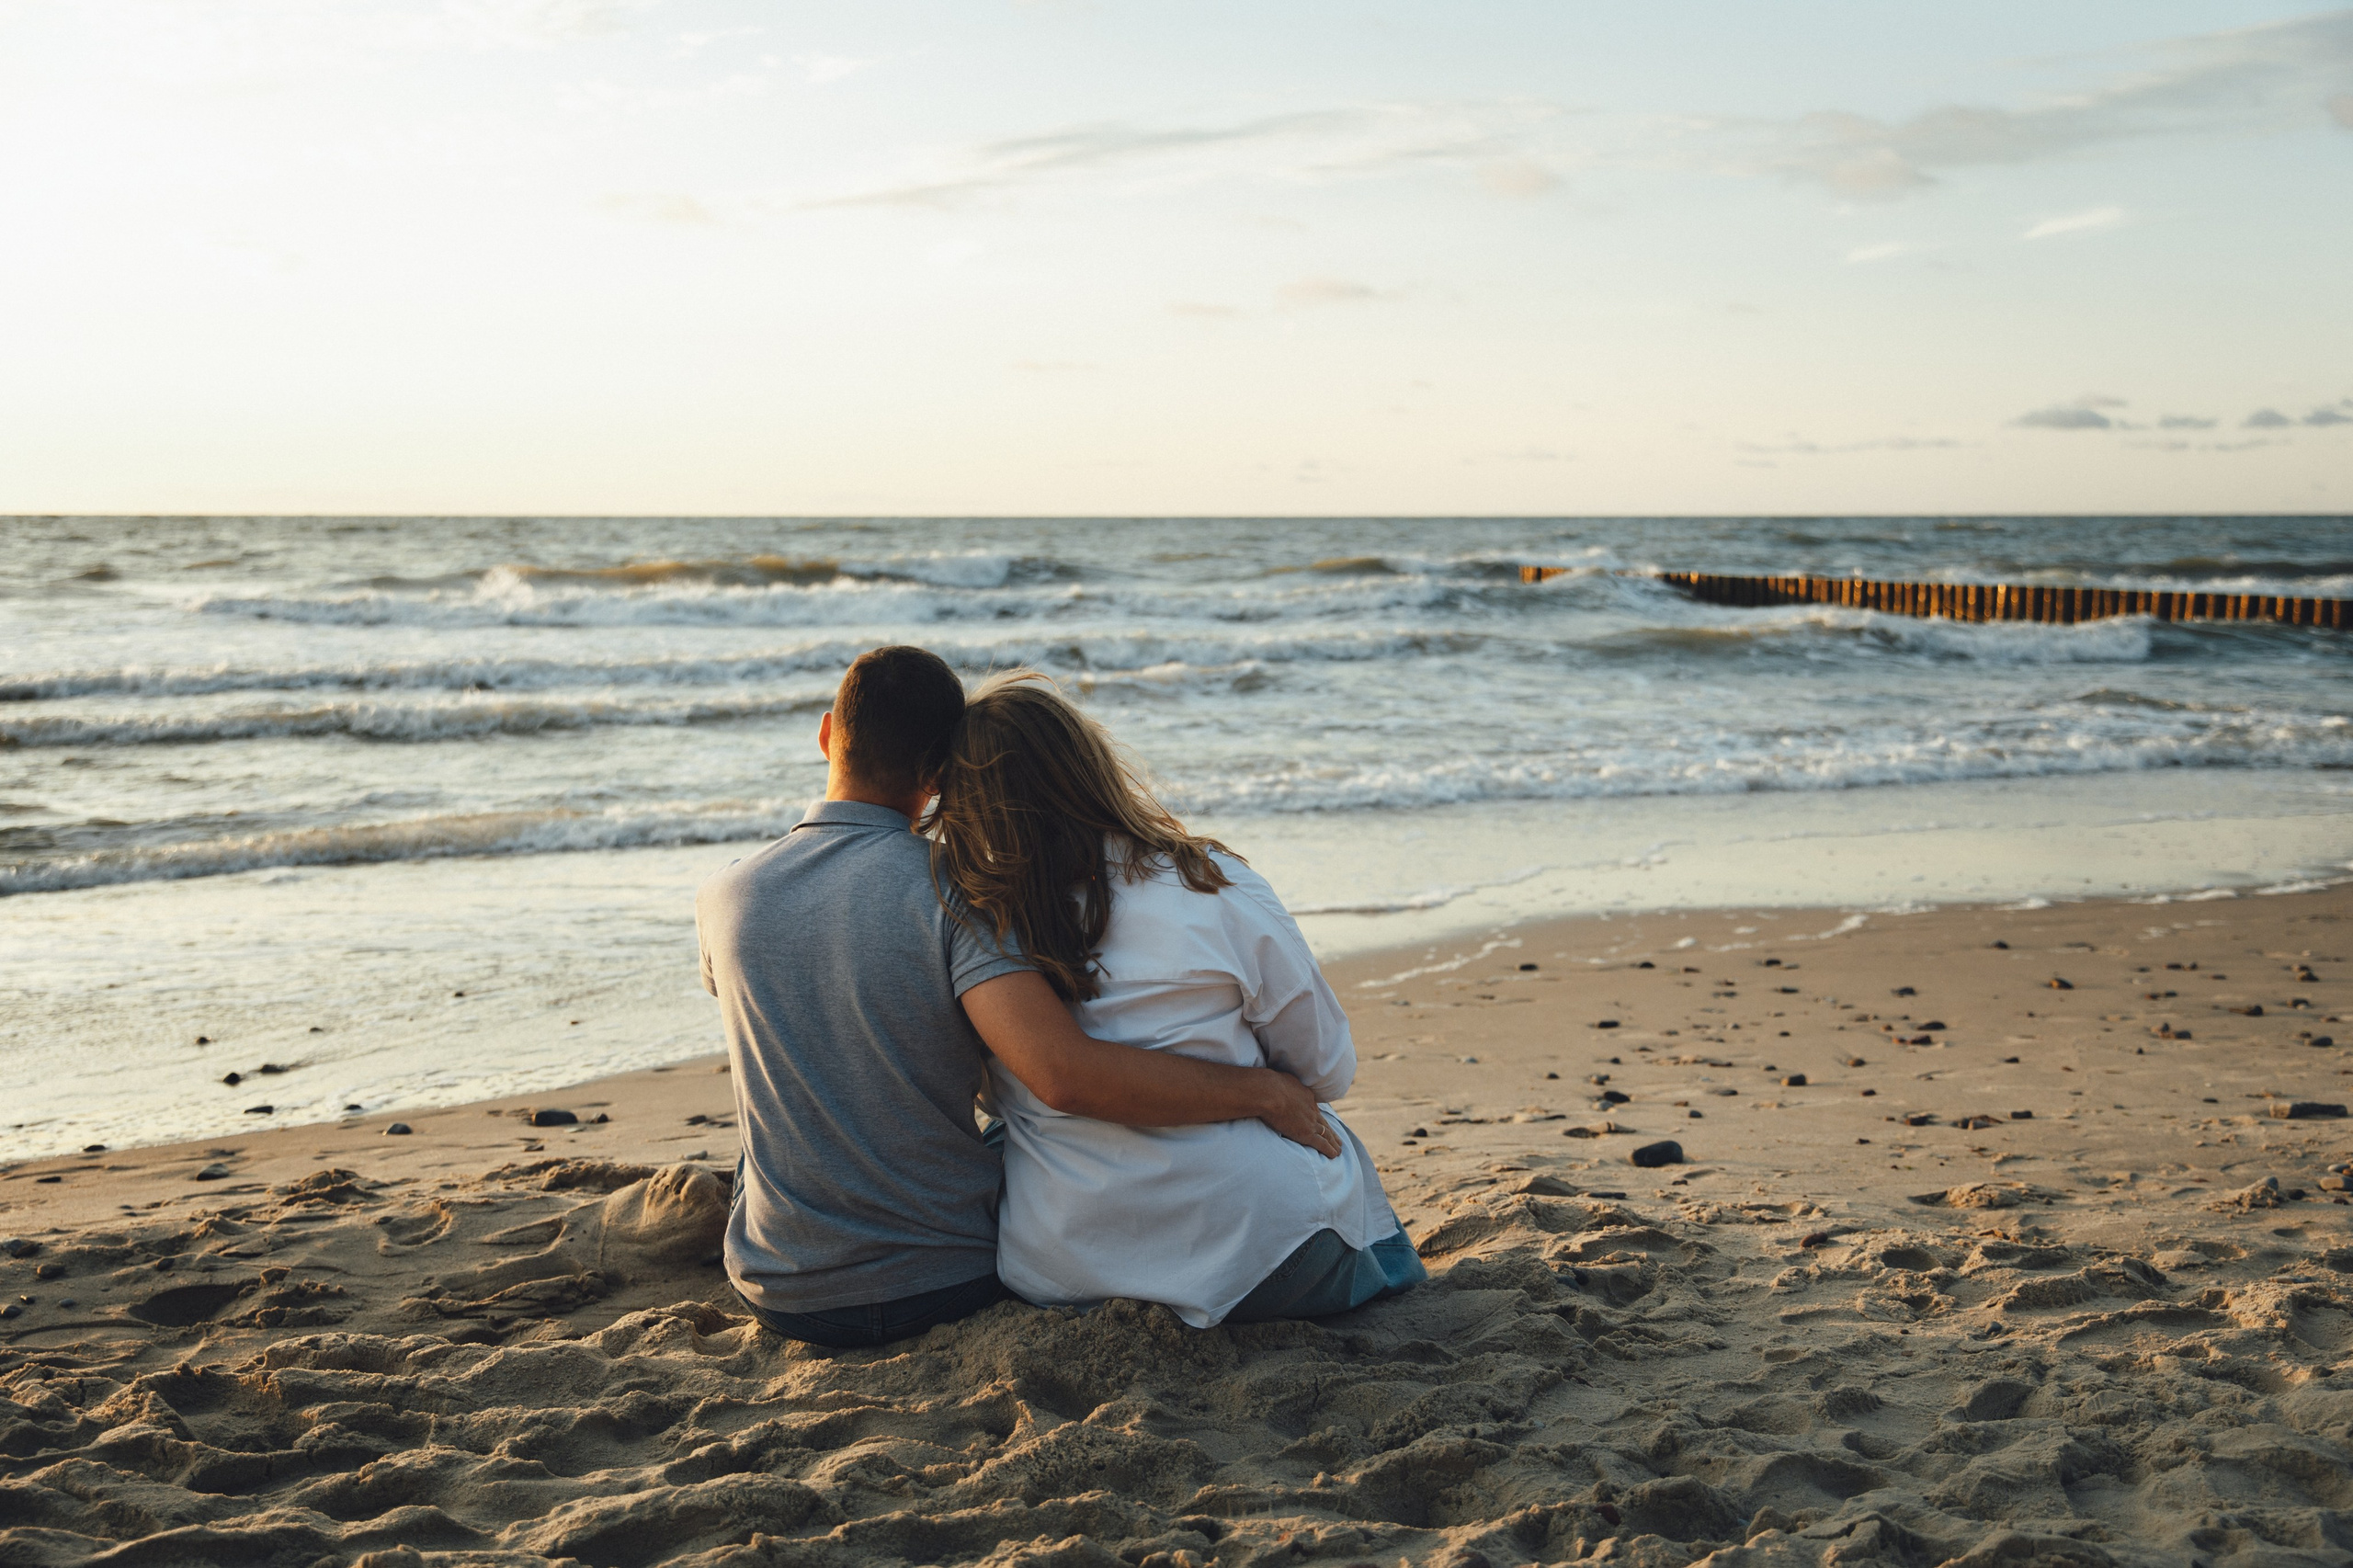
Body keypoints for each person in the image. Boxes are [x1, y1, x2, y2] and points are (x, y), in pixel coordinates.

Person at [696, 645, 1338, 1350]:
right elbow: (1061, 1075)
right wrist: (1265, 1093)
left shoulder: (725, 893)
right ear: (939, 777)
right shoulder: (955, 892)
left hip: (780, 1289)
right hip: (941, 1284)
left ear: (826, 734)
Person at [927, 671, 1425, 1329]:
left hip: (1062, 1267)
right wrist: (1256, 1082)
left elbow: (989, 1091)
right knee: (1345, 1174)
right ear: (1091, 770)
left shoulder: (970, 929)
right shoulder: (1212, 887)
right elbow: (1328, 1070)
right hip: (1264, 1251)